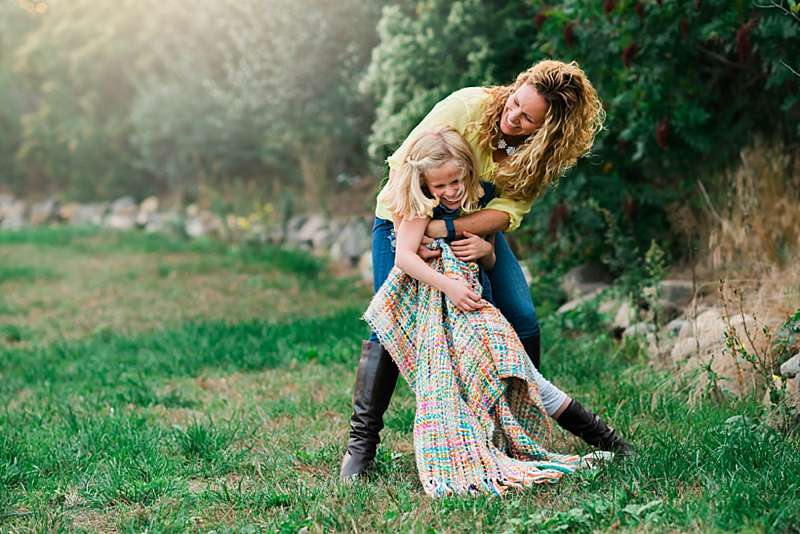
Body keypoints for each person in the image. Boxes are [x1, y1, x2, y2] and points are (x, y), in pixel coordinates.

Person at [342, 60, 619, 479]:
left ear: (546, 130)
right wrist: (420, 235)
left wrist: (461, 236)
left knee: (521, 317)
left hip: (474, 226)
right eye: (516, 102)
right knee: (389, 326)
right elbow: (406, 171)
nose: (514, 116)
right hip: (404, 221)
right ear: (518, 83)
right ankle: (361, 447)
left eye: (528, 118)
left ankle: (517, 426)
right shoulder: (466, 107)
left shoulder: (538, 155)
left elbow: (508, 211)